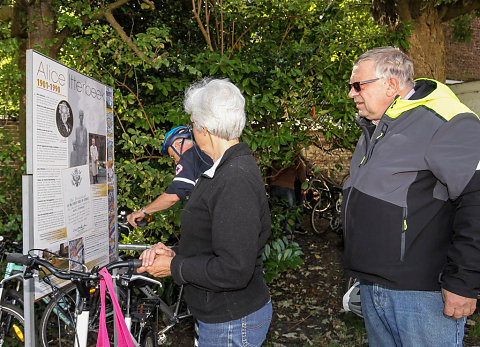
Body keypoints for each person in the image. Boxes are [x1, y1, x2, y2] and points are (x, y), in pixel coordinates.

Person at [343, 46, 480, 346]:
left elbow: (476, 200)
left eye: (357, 85)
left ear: (390, 84)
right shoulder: (375, 127)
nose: (351, 94)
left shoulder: (445, 120)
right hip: (374, 287)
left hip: (421, 297)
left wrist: (465, 282)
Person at [138, 78, 272, 346]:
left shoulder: (234, 178)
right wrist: (175, 253)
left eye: (192, 124)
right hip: (221, 316)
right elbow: (217, 242)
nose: (192, 131)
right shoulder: (221, 170)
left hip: (231, 320)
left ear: (204, 128)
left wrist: (174, 267)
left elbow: (234, 268)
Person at [126, 125, 213, 227]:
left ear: (178, 145)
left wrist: (143, 211)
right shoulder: (206, 154)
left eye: (173, 156)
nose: (176, 162)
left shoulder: (189, 155)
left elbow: (173, 195)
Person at [268, 158, 307, 235]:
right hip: (287, 188)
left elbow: (268, 170)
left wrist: (268, 183)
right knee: (291, 211)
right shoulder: (295, 159)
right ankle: (288, 234)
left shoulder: (276, 157)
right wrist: (304, 186)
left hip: (274, 186)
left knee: (273, 210)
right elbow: (301, 174)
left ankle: (272, 233)